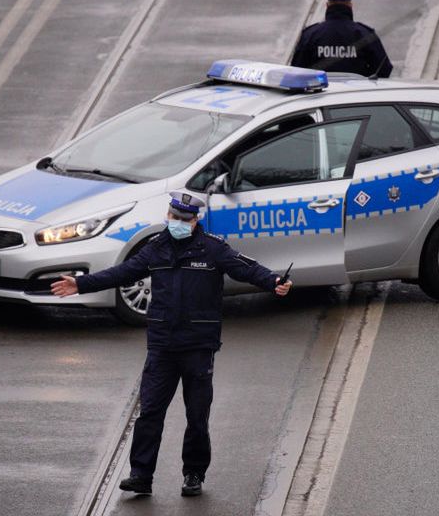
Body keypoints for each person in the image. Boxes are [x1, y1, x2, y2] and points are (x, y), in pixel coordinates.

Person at [50, 191, 293, 497]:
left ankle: (193, 474)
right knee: (150, 412)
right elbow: (122, 272)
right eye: (173, 217)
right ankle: (140, 474)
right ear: (167, 216)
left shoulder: (213, 249)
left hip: (198, 346)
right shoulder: (156, 249)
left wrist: (274, 282)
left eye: (184, 219)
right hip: (162, 346)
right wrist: (81, 283)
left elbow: (246, 268)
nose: (177, 223)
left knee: (196, 416)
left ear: (196, 221)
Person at [290, 0, 393, 78]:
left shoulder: (310, 34)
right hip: (356, 94)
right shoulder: (364, 33)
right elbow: (384, 69)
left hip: (318, 94)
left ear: (327, 5)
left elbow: (297, 70)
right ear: (350, 5)